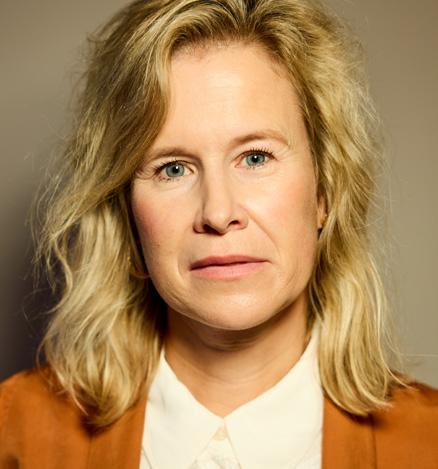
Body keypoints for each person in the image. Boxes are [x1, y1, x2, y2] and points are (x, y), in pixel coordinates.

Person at [1, 0, 437, 467]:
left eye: (255, 157)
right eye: (173, 168)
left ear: (324, 192)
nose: (218, 212)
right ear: (127, 214)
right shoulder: (16, 435)